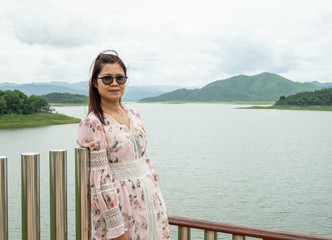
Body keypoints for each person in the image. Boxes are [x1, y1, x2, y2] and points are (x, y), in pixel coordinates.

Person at [77, 50, 170, 240]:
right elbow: (99, 180)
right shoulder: (93, 123)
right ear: (95, 82)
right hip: (121, 207)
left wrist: (156, 197)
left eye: (120, 78)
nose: (114, 83)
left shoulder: (134, 115)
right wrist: (116, 228)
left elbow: (144, 159)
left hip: (149, 202)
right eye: (107, 78)